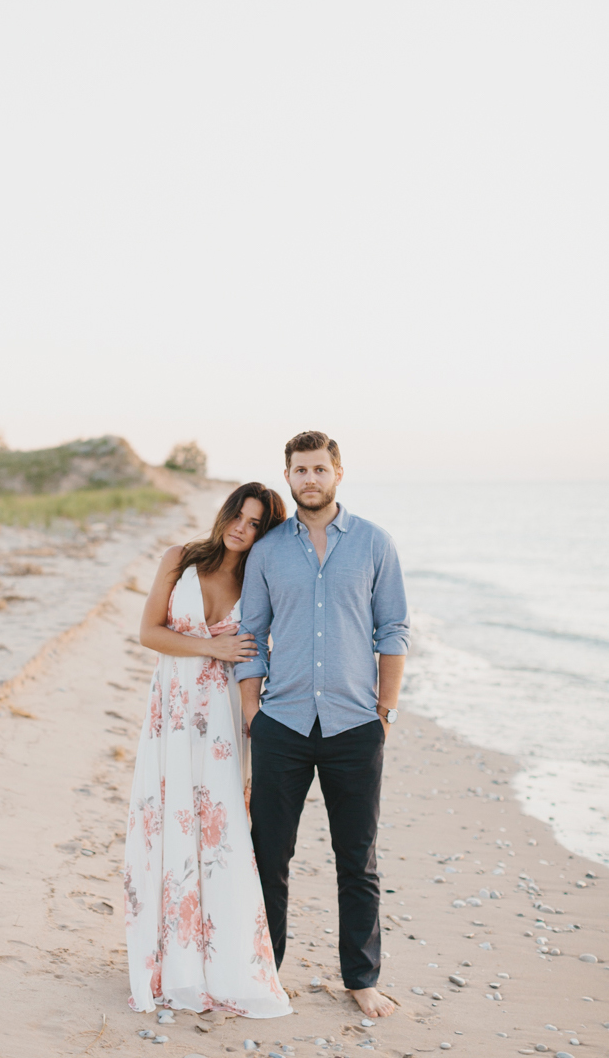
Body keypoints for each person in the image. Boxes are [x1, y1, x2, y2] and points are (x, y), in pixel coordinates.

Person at [234, 431, 408, 1021]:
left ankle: (362, 979)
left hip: (355, 724)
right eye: (299, 470)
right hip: (281, 722)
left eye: (318, 469)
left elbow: (395, 631)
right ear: (288, 476)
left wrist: (384, 712)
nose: (309, 479)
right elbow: (251, 636)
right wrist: (253, 713)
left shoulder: (374, 544)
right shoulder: (268, 551)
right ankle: (264, 972)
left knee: (357, 858)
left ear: (338, 472)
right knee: (267, 856)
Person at [124, 482, 291, 1018]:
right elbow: (149, 632)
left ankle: (217, 962)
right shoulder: (180, 559)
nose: (241, 529)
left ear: (265, 532)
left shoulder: (258, 578)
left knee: (219, 834)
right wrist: (210, 646)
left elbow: (265, 648)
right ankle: (169, 961)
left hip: (221, 718)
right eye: (238, 516)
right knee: (168, 823)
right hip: (170, 712)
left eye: (255, 523)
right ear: (224, 514)